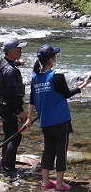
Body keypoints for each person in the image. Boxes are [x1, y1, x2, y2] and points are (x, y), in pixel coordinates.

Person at [25, 44, 91, 191]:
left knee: (48, 151)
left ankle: (45, 183)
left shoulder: (35, 77)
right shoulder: (56, 76)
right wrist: (85, 83)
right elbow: (67, 94)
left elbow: (32, 100)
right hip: (61, 122)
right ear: (51, 59)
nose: (56, 57)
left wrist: (29, 119)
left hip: (45, 123)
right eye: (54, 55)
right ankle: (60, 185)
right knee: (61, 153)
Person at [0, 37, 29, 177]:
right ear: (10, 51)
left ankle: (6, 165)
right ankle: (9, 170)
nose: (21, 50)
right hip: (9, 107)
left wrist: (17, 63)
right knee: (15, 137)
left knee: (9, 136)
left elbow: (9, 65)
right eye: (18, 48)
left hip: (3, 106)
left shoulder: (4, 63)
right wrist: (22, 112)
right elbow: (13, 95)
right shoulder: (9, 71)